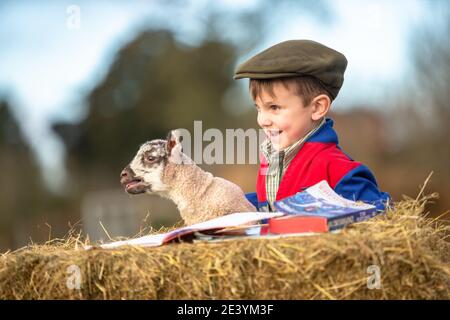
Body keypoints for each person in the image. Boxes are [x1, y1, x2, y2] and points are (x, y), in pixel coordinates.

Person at [234, 40, 390, 212]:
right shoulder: (272, 160)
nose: (262, 120)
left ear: (317, 108)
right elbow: (272, 206)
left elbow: (378, 213)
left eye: (274, 107)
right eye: (259, 108)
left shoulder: (337, 169)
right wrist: (233, 201)